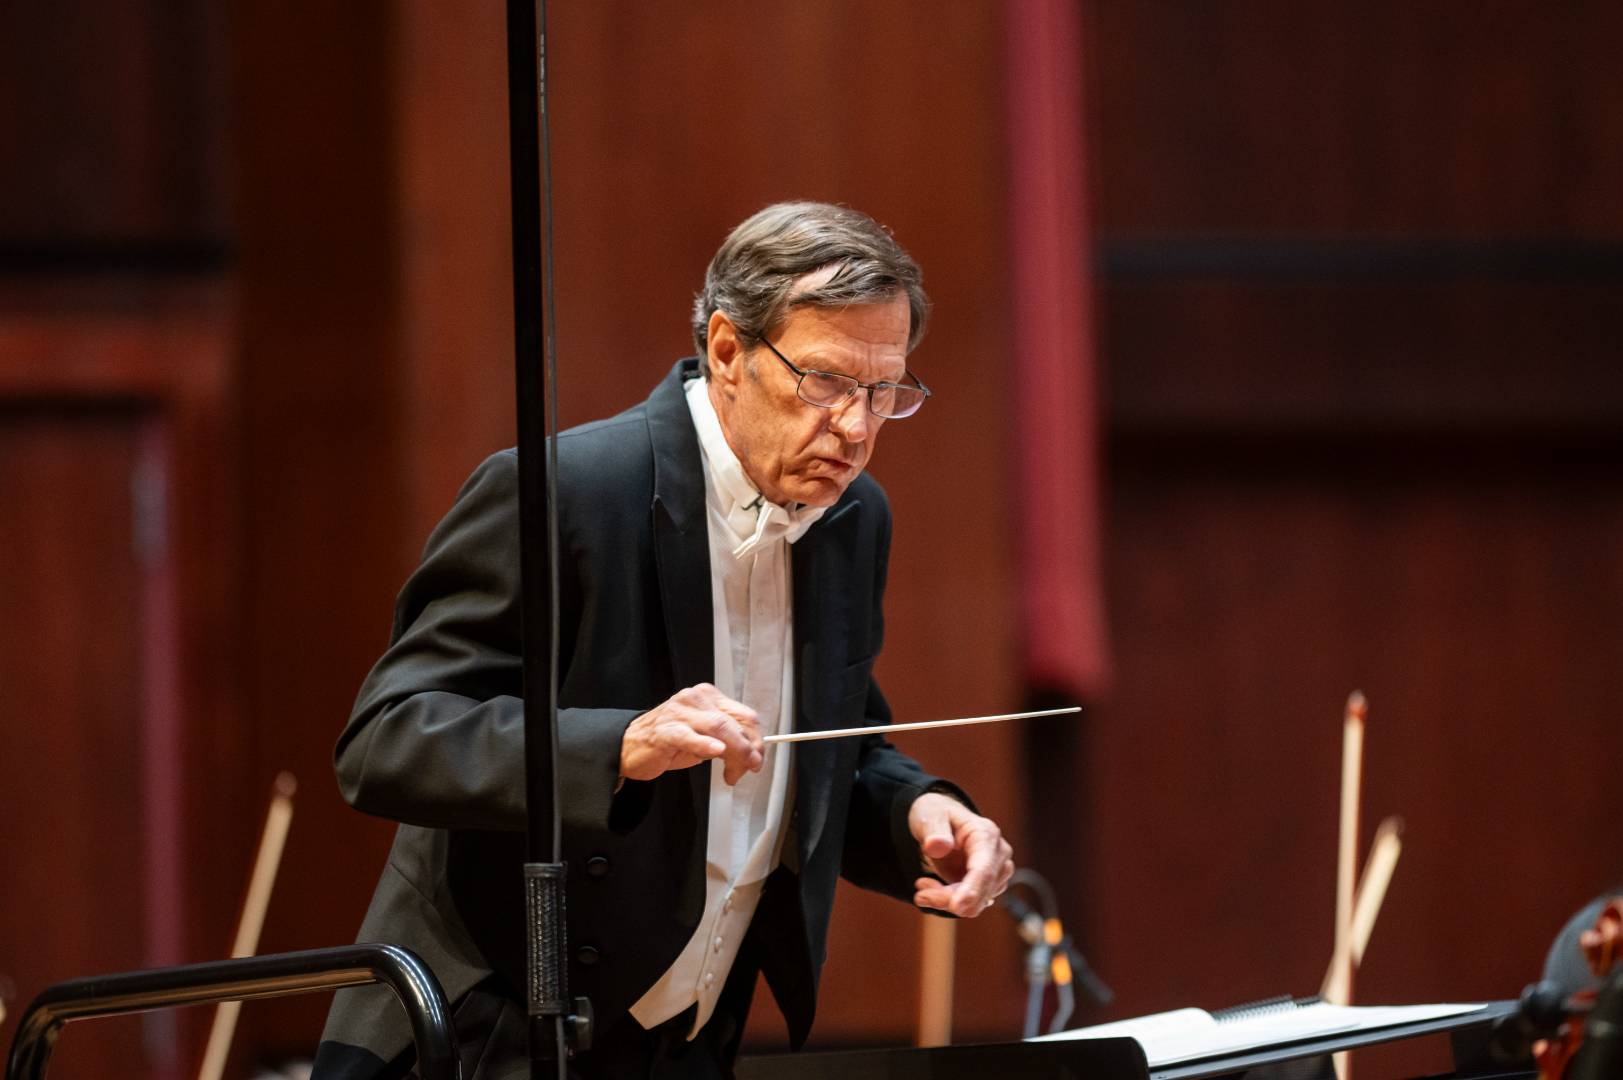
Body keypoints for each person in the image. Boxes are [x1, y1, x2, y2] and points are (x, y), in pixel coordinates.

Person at [312, 201, 1014, 1079]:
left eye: (885, 392)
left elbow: (829, 745)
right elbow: (387, 739)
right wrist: (619, 746)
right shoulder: (567, 491)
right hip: (496, 1031)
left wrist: (917, 811)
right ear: (727, 351)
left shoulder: (853, 517)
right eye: (826, 382)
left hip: (690, 1038)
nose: (856, 427)